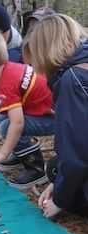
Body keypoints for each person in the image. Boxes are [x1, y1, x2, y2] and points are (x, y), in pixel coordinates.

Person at [0, 27, 55, 189]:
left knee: (7, 126)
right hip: (47, 110)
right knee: (2, 117)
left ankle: (35, 169)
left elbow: (18, 123)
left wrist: (2, 153)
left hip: (54, 119)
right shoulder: (11, 68)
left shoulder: (6, 85)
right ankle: (20, 154)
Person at [29, 14, 88, 218]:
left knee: (56, 168)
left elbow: (77, 156)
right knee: (56, 168)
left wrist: (60, 200)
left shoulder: (72, 81)